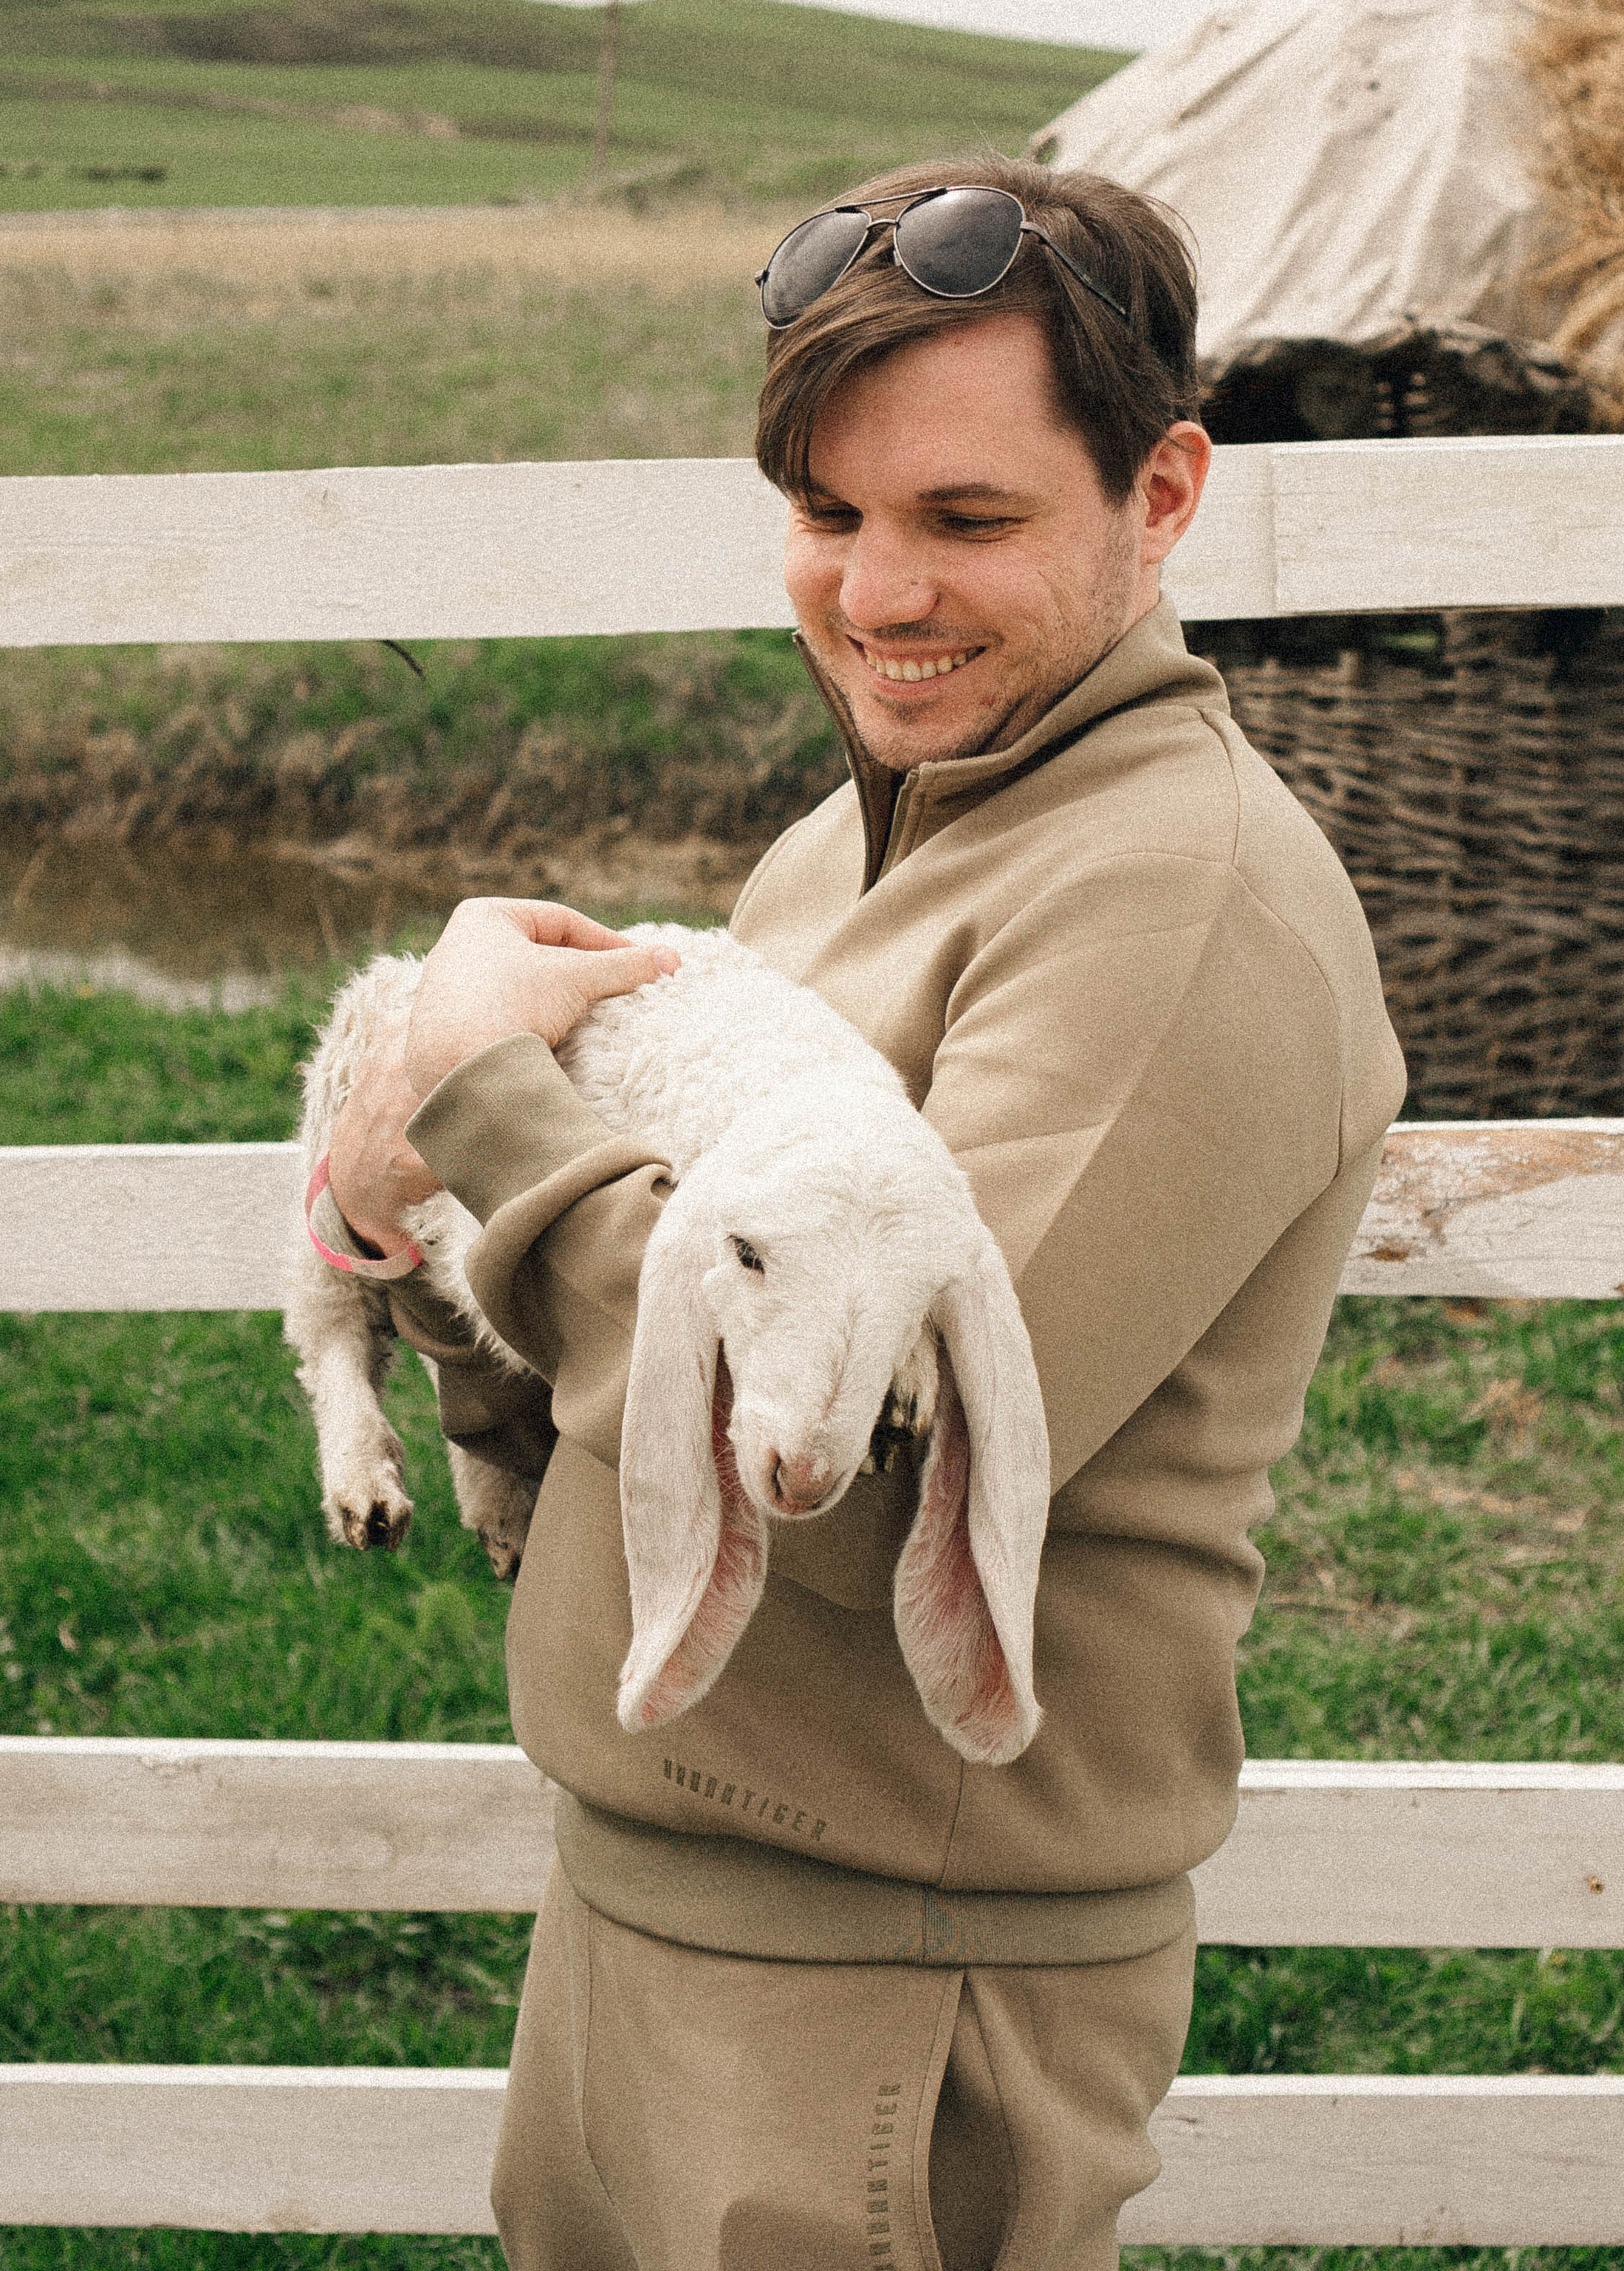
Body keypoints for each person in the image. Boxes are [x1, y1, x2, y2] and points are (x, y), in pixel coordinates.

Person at [326, 154, 1405, 2271]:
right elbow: (628, 1344)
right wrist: (430, 1267)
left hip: (895, 1979)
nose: (877, 595)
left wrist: (483, 1103)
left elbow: (851, 1463)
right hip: (671, 1892)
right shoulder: (845, 851)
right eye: (831, 515)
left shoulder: (1170, 902)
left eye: (968, 519)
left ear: (1166, 494)